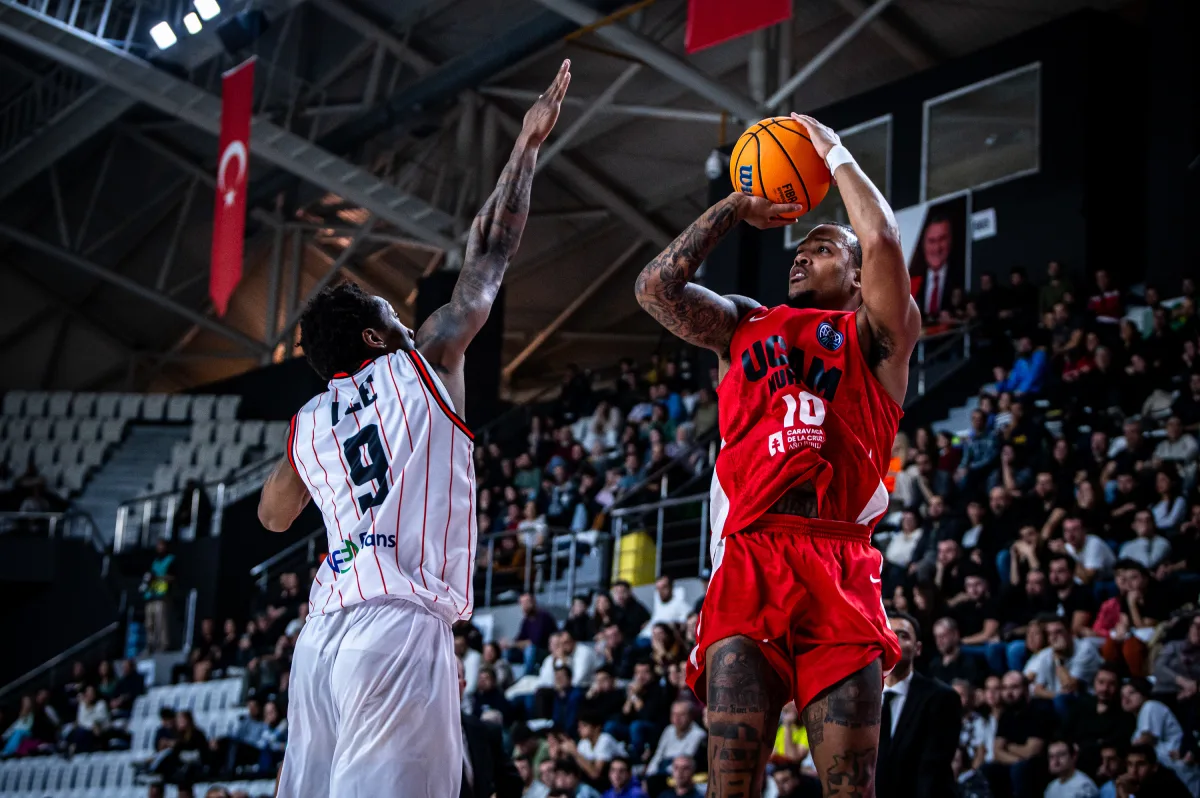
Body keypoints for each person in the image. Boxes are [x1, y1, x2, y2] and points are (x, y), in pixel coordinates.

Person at [259, 63, 572, 798]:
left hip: (320, 641)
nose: (406, 320)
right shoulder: (422, 361)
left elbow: (273, 518)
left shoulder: (305, 424)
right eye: (392, 315)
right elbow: (489, 253)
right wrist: (525, 148)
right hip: (397, 631)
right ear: (375, 341)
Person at [634, 112, 919, 798]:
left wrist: (833, 151)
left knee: (852, 787)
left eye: (821, 250)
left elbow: (879, 236)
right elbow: (654, 291)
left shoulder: (878, 336)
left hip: (838, 557)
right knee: (730, 785)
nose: (800, 255)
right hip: (751, 555)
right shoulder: (742, 322)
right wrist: (736, 202)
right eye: (800, 249)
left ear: (855, 279)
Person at [877, 612, 961, 798]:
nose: (893, 639)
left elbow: (932, 770)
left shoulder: (942, 698)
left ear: (918, 648)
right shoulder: (860, 700)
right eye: (886, 633)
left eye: (903, 635)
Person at [457, 657, 523, 798]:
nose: (446, 682)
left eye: (454, 676)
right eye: (442, 675)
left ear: (463, 686)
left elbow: (512, 784)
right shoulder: (414, 735)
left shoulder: (484, 731)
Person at [1022, 616, 1102, 717]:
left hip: (1087, 698)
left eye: (1058, 632)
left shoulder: (1085, 650)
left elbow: (1070, 687)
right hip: (1059, 698)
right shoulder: (1046, 654)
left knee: (1061, 700)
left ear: (1070, 633)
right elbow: (1037, 689)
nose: (1054, 637)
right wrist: (1055, 695)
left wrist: (1058, 659)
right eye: (1049, 634)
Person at [645, 702, 707, 778]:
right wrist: (649, 774)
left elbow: (686, 759)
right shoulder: (668, 730)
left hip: (680, 773)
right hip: (662, 769)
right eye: (674, 714)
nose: (677, 718)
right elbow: (658, 755)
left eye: (681, 715)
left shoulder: (699, 734)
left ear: (691, 716)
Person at [1114, 744, 1192, 798]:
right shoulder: (1135, 784)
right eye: (1130, 765)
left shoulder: (1167, 786)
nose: (1134, 770)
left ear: (1154, 767)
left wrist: (1125, 796)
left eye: (1141, 764)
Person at [143, 537, 175, 653]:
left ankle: (162, 646)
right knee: (149, 623)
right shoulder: (155, 561)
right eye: (158, 545)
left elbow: (173, 577)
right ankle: (150, 645)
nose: (159, 547)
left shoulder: (171, 560)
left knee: (161, 623)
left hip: (163, 596)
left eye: (162, 545)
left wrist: (158, 578)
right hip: (151, 595)